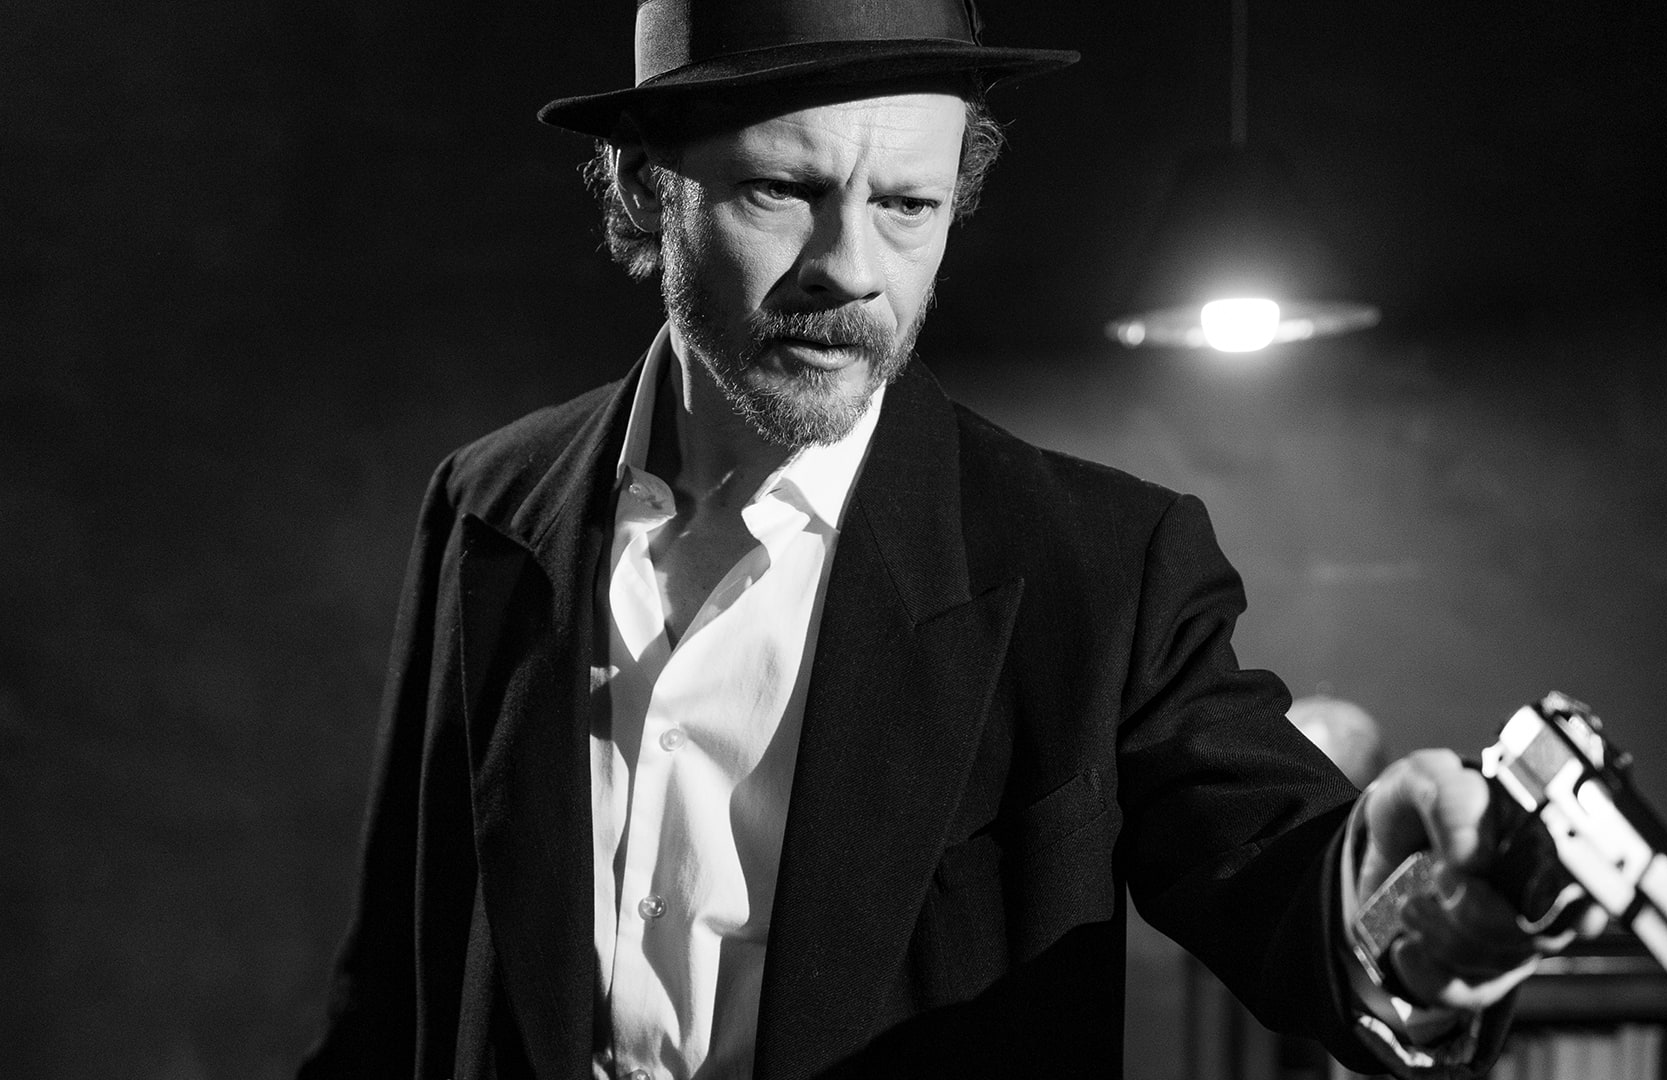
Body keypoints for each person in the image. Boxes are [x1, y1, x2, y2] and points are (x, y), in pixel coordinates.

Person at [300, 2, 1575, 1077]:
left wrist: (1382, 899)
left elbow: (1278, 872)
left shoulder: (1102, 567)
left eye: (908, 203)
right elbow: (394, 1004)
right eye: (784, 190)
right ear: (647, 185)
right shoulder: (487, 508)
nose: (850, 267)